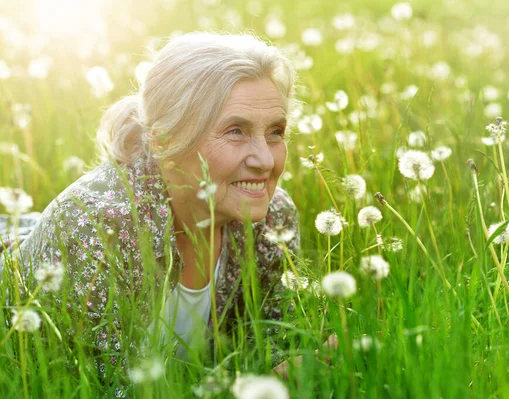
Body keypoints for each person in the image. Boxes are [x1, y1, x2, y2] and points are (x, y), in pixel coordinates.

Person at [1, 32, 303, 393]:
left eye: (275, 132)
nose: (266, 160)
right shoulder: (98, 228)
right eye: (235, 131)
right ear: (164, 141)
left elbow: (275, 347)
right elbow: (95, 389)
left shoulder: (274, 217)